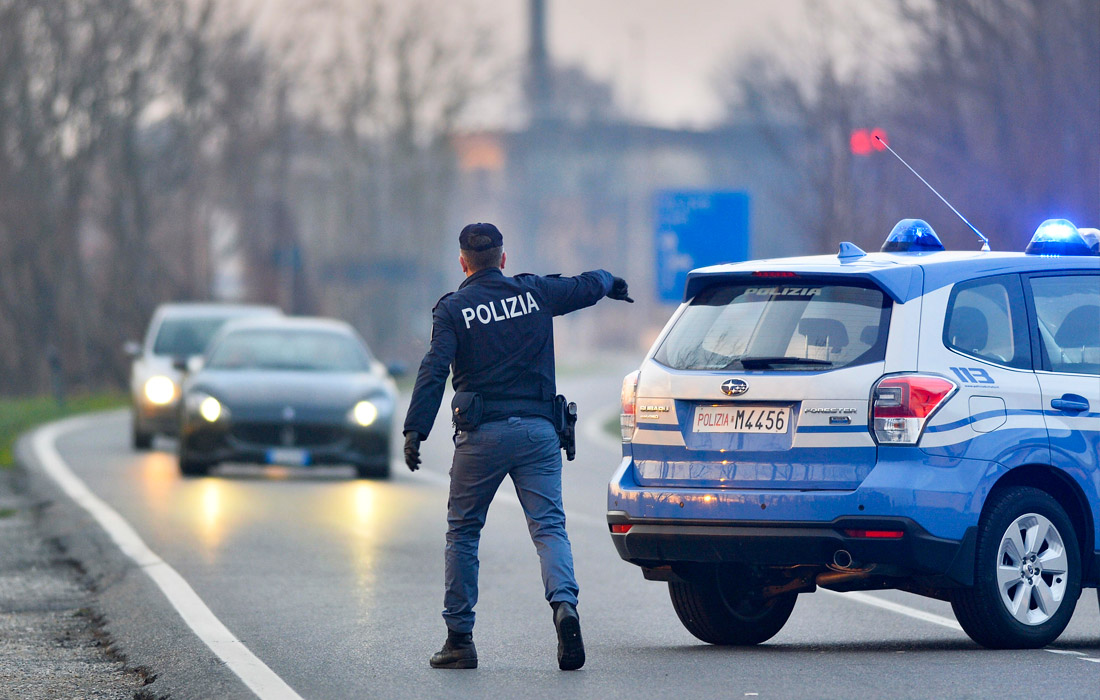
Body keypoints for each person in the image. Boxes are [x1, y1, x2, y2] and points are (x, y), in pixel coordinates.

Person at [403, 222, 633, 671]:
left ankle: (460, 641)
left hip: (481, 439)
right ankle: (564, 607)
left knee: (463, 533)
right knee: (549, 528)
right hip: (537, 434)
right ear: (503, 259)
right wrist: (612, 282)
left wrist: (416, 429)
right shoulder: (535, 292)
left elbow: (434, 368)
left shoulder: (453, 309)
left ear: (463, 263)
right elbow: (585, 285)